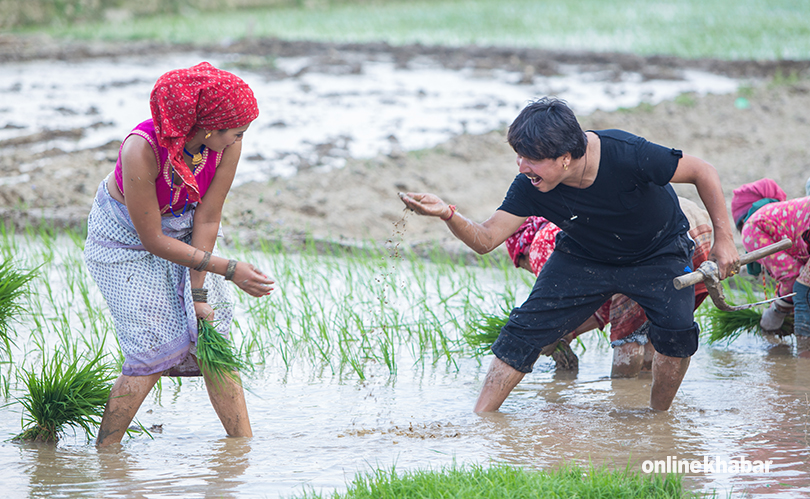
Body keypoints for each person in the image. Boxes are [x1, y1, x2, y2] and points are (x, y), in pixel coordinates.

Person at [400, 97, 739, 412]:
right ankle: (481, 418)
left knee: (676, 337)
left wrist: (725, 239)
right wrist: (448, 214)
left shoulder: (627, 154)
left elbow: (701, 171)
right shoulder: (530, 185)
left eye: (531, 160)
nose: (522, 168)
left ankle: (658, 421)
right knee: (523, 330)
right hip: (585, 257)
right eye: (518, 157)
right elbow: (486, 238)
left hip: (657, 253)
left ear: (565, 159)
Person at [84, 62, 275, 447]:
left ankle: (242, 449)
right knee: (152, 347)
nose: (240, 138)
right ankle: (106, 453)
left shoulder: (227, 147)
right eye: (236, 131)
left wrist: (199, 294)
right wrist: (230, 268)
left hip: (185, 231)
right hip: (125, 243)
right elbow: (153, 239)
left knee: (212, 337)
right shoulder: (141, 150)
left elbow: (207, 217)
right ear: (207, 127)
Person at [504, 197, 712, 378]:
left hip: (648, 241)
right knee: (653, 325)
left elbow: (553, 310)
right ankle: (644, 395)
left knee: (627, 331)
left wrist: (547, 335)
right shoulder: (562, 224)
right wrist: (569, 334)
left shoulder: (541, 245)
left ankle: (622, 397)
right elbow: (602, 303)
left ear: (523, 250)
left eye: (522, 265)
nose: (529, 269)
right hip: (690, 223)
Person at [731, 178, 810, 351]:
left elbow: (792, 278)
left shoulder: (752, 226)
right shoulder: (787, 216)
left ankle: (803, 367)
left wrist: (775, 313)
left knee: (803, 291)